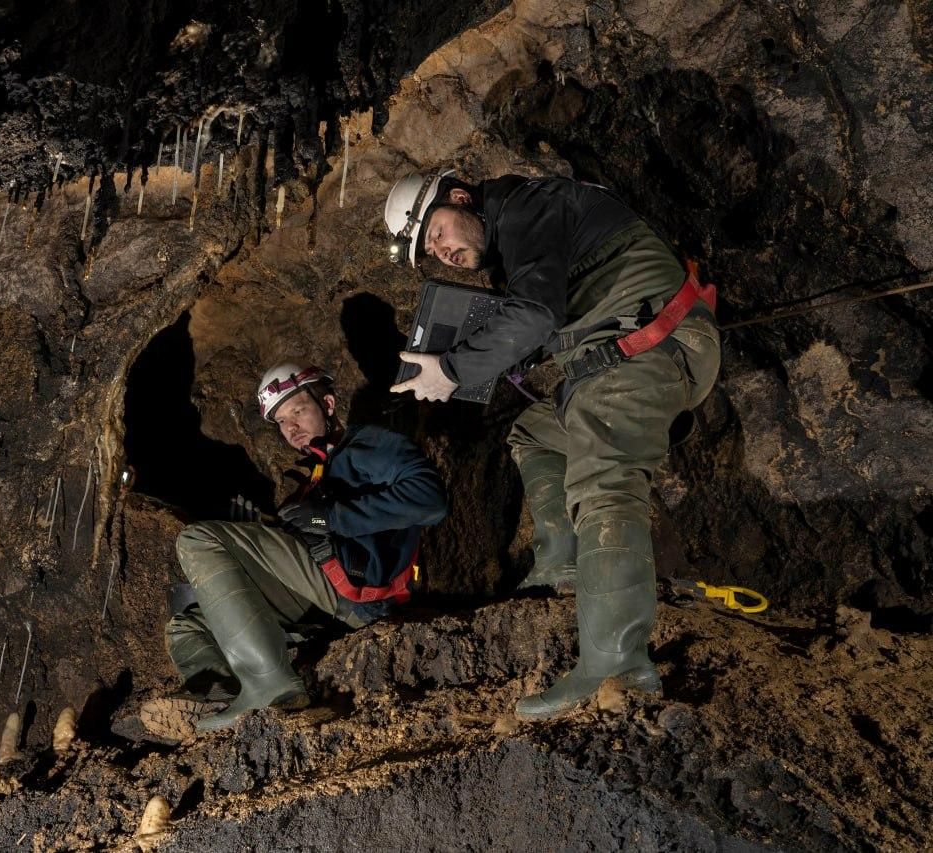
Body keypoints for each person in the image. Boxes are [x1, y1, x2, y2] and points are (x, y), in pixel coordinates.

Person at [384, 171, 721, 720]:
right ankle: (564, 566)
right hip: (625, 353)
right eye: (429, 248)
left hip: (645, 346)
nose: (440, 250)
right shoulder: (522, 237)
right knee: (536, 431)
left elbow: (538, 313)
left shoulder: (526, 206)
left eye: (437, 230)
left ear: (461, 198)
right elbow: (545, 320)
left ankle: (616, 663)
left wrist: (453, 367)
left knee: (605, 484)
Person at [139, 362, 447, 742]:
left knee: (199, 539)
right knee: (188, 623)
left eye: (298, 411)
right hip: (316, 592)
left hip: (354, 590)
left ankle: (270, 685)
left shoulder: (365, 445)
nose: (291, 428)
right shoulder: (314, 476)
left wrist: (329, 518)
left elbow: (430, 500)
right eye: (282, 422)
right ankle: (218, 695)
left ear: (328, 404)